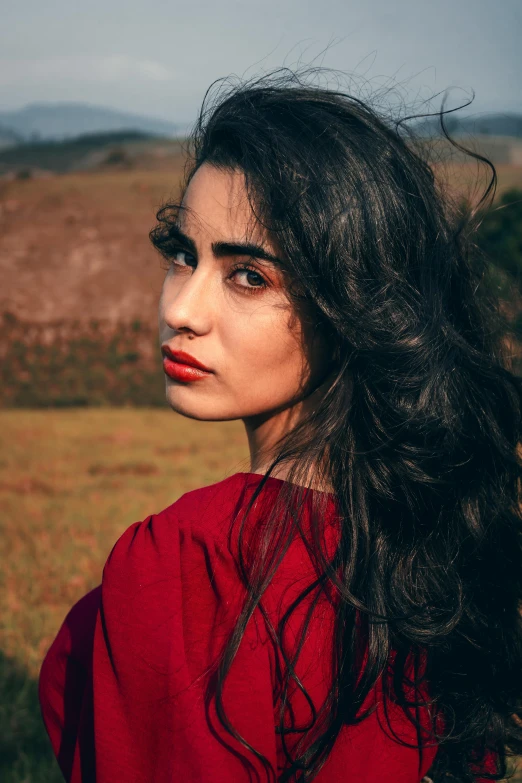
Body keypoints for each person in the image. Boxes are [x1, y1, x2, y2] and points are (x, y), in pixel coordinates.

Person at [38, 67, 522, 783]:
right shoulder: (432, 535)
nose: (182, 309)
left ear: (351, 304)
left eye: (249, 276)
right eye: (183, 254)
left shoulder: (181, 565)